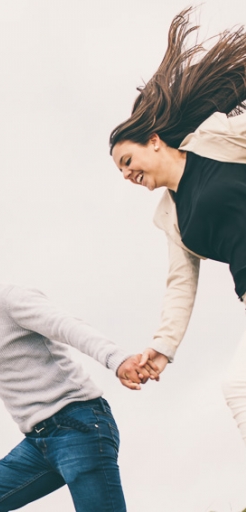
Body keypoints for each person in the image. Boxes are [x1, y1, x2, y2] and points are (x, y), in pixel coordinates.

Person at [0, 242, 148, 512]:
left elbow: (65, 325)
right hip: (38, 444)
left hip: (77, 427)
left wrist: (117, 359)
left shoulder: (6, 298)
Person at [109, 7, 246, 444]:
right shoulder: (172, 218)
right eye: (121, 173)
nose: (127, 175)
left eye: (127, 161)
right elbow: (179, 286)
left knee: (239, 388)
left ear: (153, 141)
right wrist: (163, 347)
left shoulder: (215, 137)